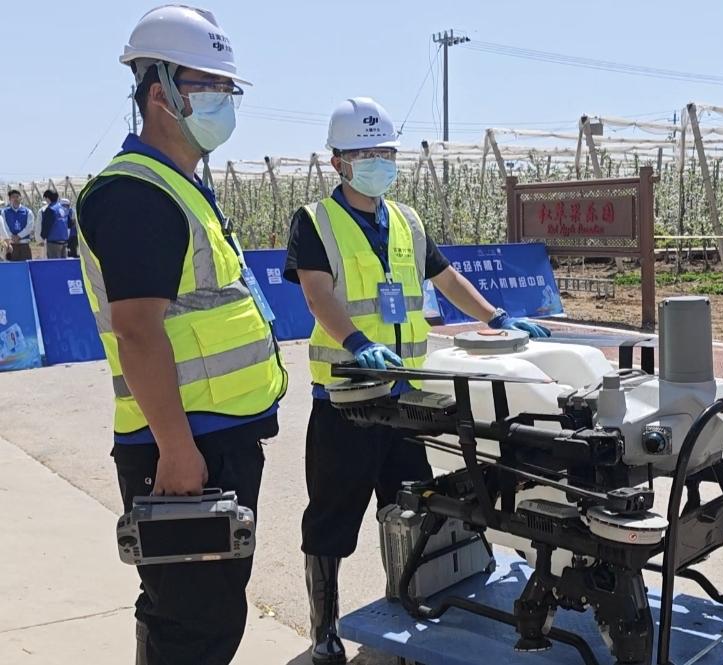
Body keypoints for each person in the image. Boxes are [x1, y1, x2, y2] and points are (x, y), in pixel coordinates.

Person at [284, 96, 549, 665]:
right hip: (348, 398)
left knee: (413, 509)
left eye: (386, 152)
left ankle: (403, 607)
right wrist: (357, 343)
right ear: (338, 162)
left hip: (406, 398)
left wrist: (495, 317)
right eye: (366, 154)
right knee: (332, 517)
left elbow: (446, 278)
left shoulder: (406, 220)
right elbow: (317, 293)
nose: (379, 162)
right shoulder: (315, 221)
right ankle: (325, 627)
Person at [76, 6, 287, 665]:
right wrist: (175, 449)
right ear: (160, 93)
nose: (224, 100)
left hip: (212, 439)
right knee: (196, 624)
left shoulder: (179, 185)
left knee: (192, 612)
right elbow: (138, 333)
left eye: (229, 88)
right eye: (209, 86)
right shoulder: (136, 194)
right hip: (185, 448)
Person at [3, 190, 36, 261]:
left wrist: (19, 236)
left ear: (21, 198)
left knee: (25, 265)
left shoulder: (28, 212)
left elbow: (30, 227)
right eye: (13, 197)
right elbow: (4, 226)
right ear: (9, 199)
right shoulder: (5, 212)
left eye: (17, 197)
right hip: (10, 245)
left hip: (24, 244)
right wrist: (12, 236)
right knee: (11, 266)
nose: (15, 199)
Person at [41, 189, 71, 258]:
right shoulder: (64, 208)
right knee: (63, 263)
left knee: (54, 263)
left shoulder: (50, 209)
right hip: (64, 241)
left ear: (47, 198)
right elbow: (69, 224)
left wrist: (43, 236)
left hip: (53, 242)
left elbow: (46, 225)